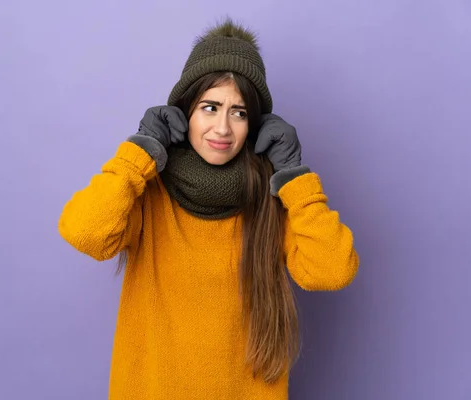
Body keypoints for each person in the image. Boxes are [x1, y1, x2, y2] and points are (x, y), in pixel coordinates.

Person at [58, 17, 359, 400]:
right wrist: (140, 150)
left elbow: (332, 270)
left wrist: (294, 176)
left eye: (239, 112)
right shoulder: (148, 188)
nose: (222, 129)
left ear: (256, 123)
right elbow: (86, 233)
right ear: (185, 112)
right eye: (210, 107)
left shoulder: (271, 198)